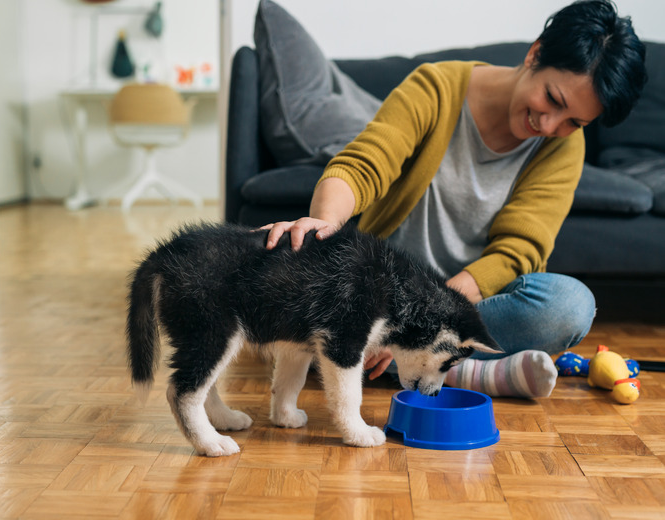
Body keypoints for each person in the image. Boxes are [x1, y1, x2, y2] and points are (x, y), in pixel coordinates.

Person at [262, 0, 647, 398]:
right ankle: (458, 369)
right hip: (387, 298)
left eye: (573, 123)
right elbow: (364, 164)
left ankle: (406, 359)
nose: (549, 125)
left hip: (472, 304)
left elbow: (518, 252)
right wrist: (326, 225)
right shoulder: (436, 87)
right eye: (552, 98)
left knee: (569, 306)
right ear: (535, 54)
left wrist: (436, 315)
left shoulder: (562, 148)